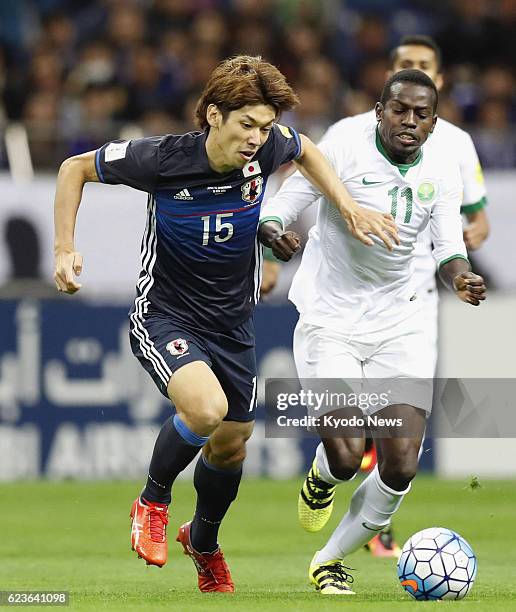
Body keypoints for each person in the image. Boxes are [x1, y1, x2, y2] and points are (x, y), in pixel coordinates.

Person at [53, 55, 398, 594]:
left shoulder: (267, 149)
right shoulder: (161, 158)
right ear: (214, 115)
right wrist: (65, 249)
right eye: (246, 125)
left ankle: (205, 542)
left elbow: (305, 149)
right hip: (166, 312)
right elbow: (73, 168)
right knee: (206, 410)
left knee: (232, 444)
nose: (258, 138)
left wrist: (348, 208)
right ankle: (152, 500)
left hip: (232, 324)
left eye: (264, 127)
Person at [260, 35, 490, 557]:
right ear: (379, 111)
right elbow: (279, 208)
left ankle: (330, 561)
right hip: (331, 315)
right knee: (345, 454)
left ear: (434, 121)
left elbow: (449, 247)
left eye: (421, 114)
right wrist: (275, 236)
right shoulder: (341, 146)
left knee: (402, 461)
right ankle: (323, 479)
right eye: (400, 110)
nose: (410, 121)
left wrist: (460, 278)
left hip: (400, 320)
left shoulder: (442, 170)